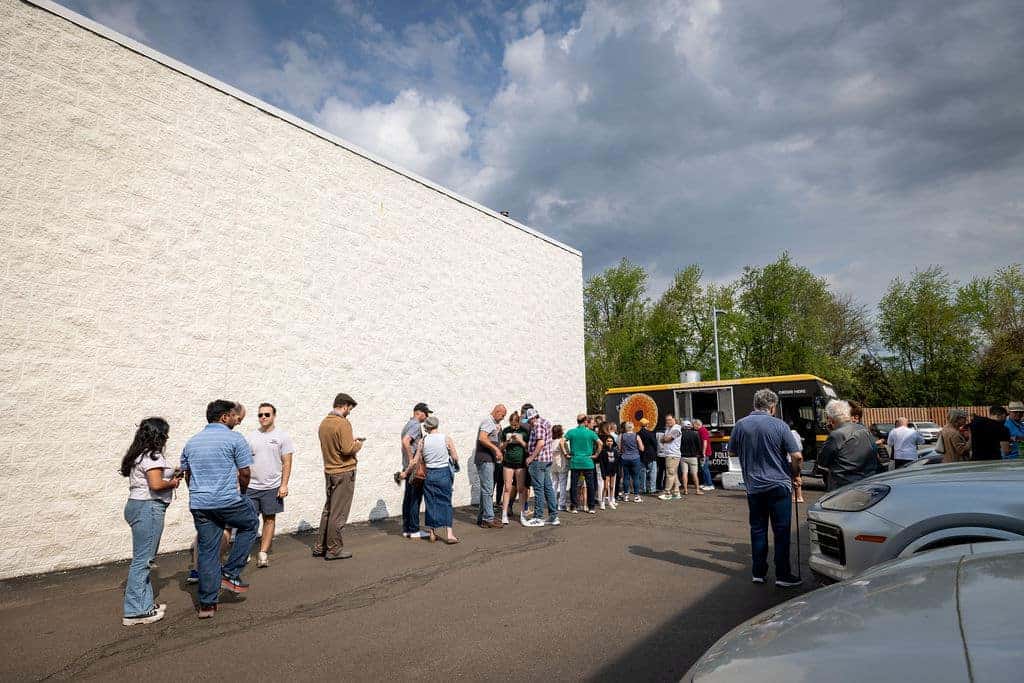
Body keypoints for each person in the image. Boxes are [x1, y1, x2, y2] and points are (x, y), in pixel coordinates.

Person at [181, 400, 259, 618]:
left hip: (200, 504)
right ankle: (231, 572)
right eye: (234, 416)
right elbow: (244, 473)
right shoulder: (234, 438)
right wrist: (242, 494)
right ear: (224, 417)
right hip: (227, 501)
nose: (237, 419)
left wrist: (198, 494)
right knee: (251, 524)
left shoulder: (192, 442)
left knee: (207, 550)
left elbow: (188, 475)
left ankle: (207, 605)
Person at [730, 388, 803, 587]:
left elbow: (732, 452)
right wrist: (795, 475)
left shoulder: (740, 425)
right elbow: (797, 456)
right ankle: (783, 575)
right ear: (772, 406)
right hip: (779, 484)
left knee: (758, 529)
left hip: (754, 487)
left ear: (755, 404)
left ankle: (758, 572)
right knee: (781, 531)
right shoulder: (779, 426)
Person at [120, 417, 181, 626]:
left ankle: (144, 604)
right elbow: (156, 484)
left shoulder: (139, 455)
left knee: (144, 558)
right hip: (148, 508)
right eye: (165, 433)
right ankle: (135, 611)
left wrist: (170, 474)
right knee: (143, 560)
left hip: (137, 506)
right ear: (158, 435)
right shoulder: (153, 456)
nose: (167, 437)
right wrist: (172, 482)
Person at [314, 392, 364, 561]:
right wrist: (358, 445)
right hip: (343, 471)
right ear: (344, 406)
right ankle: (334, 549)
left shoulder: (324, 423)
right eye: (349, 408)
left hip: (329, 470)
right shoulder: (343, 423)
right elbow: (347, 449)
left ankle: (320, 546)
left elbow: (336, 445)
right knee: (339, 512)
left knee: (328, 510)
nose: (349, 411)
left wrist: (350, 441)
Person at [245, 402, 295, 568]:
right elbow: (243, 462)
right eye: (260, 415)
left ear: (274, 416)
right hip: (251, 487)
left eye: (267, 414)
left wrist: (284, 485)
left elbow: (287, 462)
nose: (263, 417)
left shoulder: (282, 436)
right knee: (249, 521)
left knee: (269, 519)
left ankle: (263, 553)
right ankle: (244, 551)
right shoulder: (251, 436)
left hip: (272, 487)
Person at [407, 416, 460, 544]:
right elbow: (455, 456)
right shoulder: (446, 438)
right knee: (446, 502)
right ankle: (449, 534)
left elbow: (415, 460)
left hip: (429, 475)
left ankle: (432, 533)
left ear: (427, 427)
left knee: (431, 503)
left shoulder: (423, 441)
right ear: (437, 425)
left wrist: (406, 472)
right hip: (443, 474)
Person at [818, 400, 879, 491]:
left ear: (832, 418)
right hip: (866, 484)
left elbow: (822, 461)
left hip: (843, 486)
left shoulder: (837, 435)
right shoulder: (865, 431)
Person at [398, 403, 431, 539]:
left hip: (408, 467)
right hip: (414, 468)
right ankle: (414, 530)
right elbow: (406, 441)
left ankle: (407, 529)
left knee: (409, 498)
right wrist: (412, 459)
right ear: (420, 413)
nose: (427, 416)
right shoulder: (416, 425)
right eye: (426, 413)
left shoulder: (408, 424)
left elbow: (405, 441)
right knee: (415, 499)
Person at [525, 408, 560, 526]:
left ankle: (538, 517)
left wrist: (531, 457)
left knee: (539, 489)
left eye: (529, 420)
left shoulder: (537, 425)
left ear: (533, 418)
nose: (529, 423)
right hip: (547, 460)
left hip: (538, 460)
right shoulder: (546, 422)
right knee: (548, 488)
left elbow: (540, 443)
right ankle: (553, 516)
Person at [474, 404, 506, 528]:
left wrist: (503, 446)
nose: (503, 418)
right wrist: (496, 449)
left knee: (486, 490)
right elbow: (482, 438)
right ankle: (489, 518)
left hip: (488, 459)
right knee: (488, 489)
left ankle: (482, 519)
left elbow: (493, 442)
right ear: (497, 411)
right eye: (503, 415)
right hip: (485, 459)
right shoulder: (488, 421)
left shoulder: (495, 425)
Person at [565, 413, 601, 513]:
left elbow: (561, 442)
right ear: (585, 422)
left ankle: (574, 507)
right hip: (588, 461)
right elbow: (600, 443)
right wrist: (596, 454)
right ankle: (591, 507)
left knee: (574, 484)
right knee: (590, 485)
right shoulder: (590, 433)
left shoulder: (571, 432)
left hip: (575, 461)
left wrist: (566, 453)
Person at [499, 411, 530, 525]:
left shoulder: (524, 431)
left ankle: (522, 514)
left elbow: (528, 447)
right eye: (511, 424)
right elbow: (501, 447)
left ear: (518, 422)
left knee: (521, 488)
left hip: (520, 462)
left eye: (515, 424)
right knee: (507, 488)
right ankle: (504, 514)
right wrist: (507, 441)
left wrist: (520, 440)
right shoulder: (506, 431)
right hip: (508, 462)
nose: (513, 427)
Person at [658, 415, 683, 501]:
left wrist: (665, 438)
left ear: (674, 420)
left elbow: (668, 439)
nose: (668, 421)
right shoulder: (668, 429)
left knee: (670, 473)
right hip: (669, 454)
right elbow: (662, 439)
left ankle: (667, 493)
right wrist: (665, 438)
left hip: (673, 454)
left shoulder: (676, 429)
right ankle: (676, 493)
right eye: (666, 420)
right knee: (674, 473)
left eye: (669, 420)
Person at [618, 422, 645, 502]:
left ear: (625, 428)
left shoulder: (621, 436)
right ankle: (636, 496)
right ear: (632, 427)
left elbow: (619, 448)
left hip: (625, 458)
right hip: (635, 458)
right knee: (635, 477)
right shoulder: (637, 436)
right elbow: (641, 448)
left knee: (626, 477)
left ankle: (626, 495)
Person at [678, 420, 703, 495]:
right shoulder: (695, 434)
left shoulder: (680, 434)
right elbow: (699, 445)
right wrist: (700, 454)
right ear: (690, 426)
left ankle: (685, 490)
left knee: (684, 473)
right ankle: (697, 490)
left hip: (683, 456)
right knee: (694, 474)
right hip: (693, 457)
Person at [551, 424, 570, 511]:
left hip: (553, 464)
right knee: (562, 484)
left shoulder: (551, 441)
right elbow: (567, 452)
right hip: (562, 463)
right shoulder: (562, 441)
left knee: (554, 483)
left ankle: (553, 502)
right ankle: (561, 503)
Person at [597, 433, 618, 509]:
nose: (609, 442)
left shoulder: (615, 451)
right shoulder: (603, 451)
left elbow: (616, 462)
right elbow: (601, 463)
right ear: (605, 442)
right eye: (608, 441)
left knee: (612, 486)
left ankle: (611, 501)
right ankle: (602, 502)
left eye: (611, 441)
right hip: (606, 471)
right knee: (605, 487)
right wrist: (603, 473)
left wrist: (616, 471)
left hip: (613, 471)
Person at [638, 418, 658, 495]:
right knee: (652, 472)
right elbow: (655, 444)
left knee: (642, 472)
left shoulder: (637, 434)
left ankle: (642, 489)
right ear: (647, 424)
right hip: (651, 455)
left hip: (641, 455)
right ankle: (652, 489)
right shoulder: (650, 433)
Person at [694, 419, 714, 492]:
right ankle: (706, 483)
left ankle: (710, 484)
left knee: (705, 468)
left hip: (705, 453)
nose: (693, 427)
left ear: (697, 424)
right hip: (703, 452)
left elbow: (705, 442)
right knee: (703, 468)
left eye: (694, 425)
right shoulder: (701, 430)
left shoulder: (702, 430)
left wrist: (703, 453)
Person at [786, 421, 804, 501]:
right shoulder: (796, 434)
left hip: (791, 458)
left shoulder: (790, 434)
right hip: (798, 457)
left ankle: (795, 496)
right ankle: (799, 496)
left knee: (792, 478)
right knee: (797, 477)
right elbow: (800, 447)